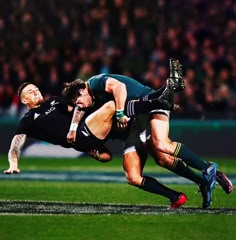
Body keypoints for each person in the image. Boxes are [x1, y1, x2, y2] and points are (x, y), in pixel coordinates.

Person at [62, 59, 233, 208]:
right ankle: (202, 182)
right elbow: (78, 109)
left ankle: (208, 168)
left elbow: (119, 87)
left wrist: (120, 113)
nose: (81, 106)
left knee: (161, 144)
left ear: (82, 91)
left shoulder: (94, 83)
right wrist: (72, 129)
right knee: (137, 173)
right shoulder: (89, 99)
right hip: (138, 119)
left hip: (151, 103)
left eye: (79, 101)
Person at [3, 82, 187, 209]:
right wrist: (13, 164)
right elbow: (15, 145)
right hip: (82, 137)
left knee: (128, 165)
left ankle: (176, 197)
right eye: (30, 92)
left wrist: (77, 127)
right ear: (24, 100)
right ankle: (158, 101)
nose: (35, 91)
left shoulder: (55, 101)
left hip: (88, 132)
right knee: (111, 106)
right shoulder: (28, 120)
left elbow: (78, 108)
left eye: (35, 88)